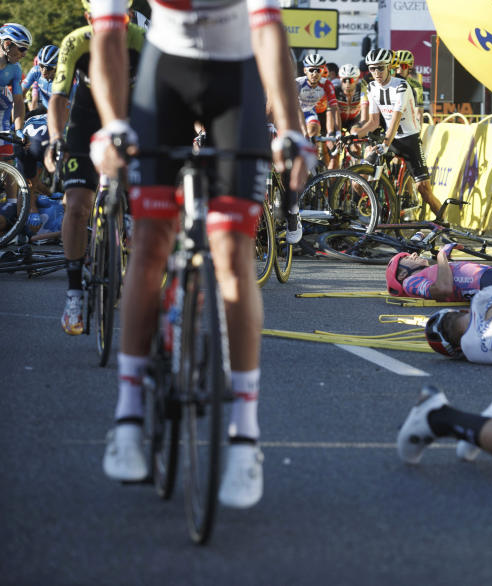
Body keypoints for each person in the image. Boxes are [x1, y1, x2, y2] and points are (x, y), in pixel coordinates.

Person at [86, 0, 316, 509]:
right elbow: (106, 32)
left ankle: (244, 437)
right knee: (148, 245)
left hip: (235, 81)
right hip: (163, 79)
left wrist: (293, 130)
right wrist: (111, 124)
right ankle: (126, 419)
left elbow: (269, 30)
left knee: (234, 257)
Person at [46, 1, 145, 336]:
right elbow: (58, 97)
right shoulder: (75, 41)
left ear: (128, 17)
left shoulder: (139, 39)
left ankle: (129, 222)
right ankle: (74, 293)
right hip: (85, 123)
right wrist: (56, 138)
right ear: (89, 19)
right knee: (76, 206)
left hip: (130, 122)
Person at [351, 48, 443, 217]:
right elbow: (373, 122)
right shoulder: (371, 87)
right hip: (390, 138)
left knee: (423, 189)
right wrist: (353, 136)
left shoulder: (401, 86)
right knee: (359, 178)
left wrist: (385, 144)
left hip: (409, 140)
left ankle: (445, 224)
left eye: (380, 67)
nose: (376, 72)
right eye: (372, 68)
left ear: (389, 68)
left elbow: (394, 118)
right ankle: (348, 219)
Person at [296, 53, 340, 170]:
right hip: (297, 114)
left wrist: (337, 131)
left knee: (315, 131)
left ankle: (313, 163)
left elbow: (334, 108)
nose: (315, 74)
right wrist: (304, 131)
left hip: (312, 113)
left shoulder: (326, 84)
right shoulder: (298, 83)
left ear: (323, 70)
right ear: (305, 70)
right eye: (311, 70)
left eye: (318, 70)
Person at [0, 23, 31, 159]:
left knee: (6, 167)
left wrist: (19, 129)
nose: (24, 54)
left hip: (2, 114)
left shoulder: (16, 69)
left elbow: (18, 102)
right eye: (22, 48)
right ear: (7, 44)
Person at [20, 45, 58, 117]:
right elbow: (19, 96)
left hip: (61, 109)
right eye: (41, 65)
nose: (44, 71)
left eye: (49, 68)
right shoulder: (36, 71)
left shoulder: (64, 79)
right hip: (45, 107)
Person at [391, 49, 423, 121]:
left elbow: (419, 112)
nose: (399, 70)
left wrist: (419, 131)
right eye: (397, 66)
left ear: (409, 68)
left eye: (404, 66)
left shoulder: (416, 83)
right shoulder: (389, 75)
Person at [335, 63, 366, 134]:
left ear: (357, 80)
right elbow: (332, 112)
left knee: (355, 135)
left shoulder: (362, 89)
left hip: (355, 121)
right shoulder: (335, 90)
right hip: (338, 120)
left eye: (351, 80)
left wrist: (362, 127)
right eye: (344, 80)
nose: (347, 83)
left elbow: (365, 108)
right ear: (340, 80)